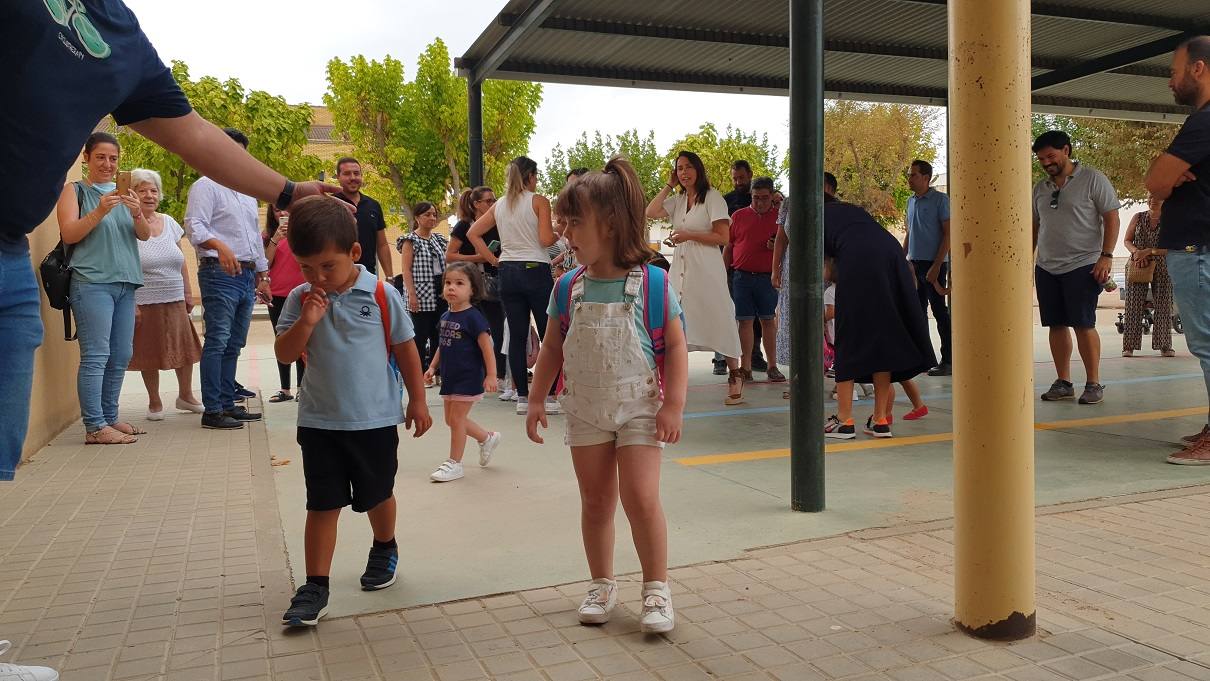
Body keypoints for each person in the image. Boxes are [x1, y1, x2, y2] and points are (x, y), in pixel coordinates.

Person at [526, 157, 687, 634]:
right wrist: (537, 399)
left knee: (640, 497)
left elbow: (676, 346)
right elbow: (552, 346)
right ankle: (602, 582)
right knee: (596, 501)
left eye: (576, 222)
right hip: (587, 410)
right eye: (564, 221)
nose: (566, 232)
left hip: (640, 408)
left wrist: (674, 403)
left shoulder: (653, 282)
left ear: (612, 224)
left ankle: (656, 588)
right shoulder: (567, 287)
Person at [274, 196, 431, 627]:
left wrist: (417, 400)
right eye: (307, 268)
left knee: (377, 493)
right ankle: (315, 586)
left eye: (327, 266)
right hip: (319, 420)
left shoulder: (381, 294)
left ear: (354, 254)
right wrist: (305, 321)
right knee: (321, 503)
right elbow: (285, 353)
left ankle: (384, 546)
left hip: (374, 420)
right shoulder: (301, 299)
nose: (317, 277)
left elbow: (405, 348)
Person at [55, 132, 151, 444]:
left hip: (126, 283)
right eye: (100, 157)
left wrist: (136, 211)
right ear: (87, 158)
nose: (107, 164)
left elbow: (145, 235)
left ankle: (110, 417)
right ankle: (95, 426)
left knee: (122, 353)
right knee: (96, 355)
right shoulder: (75, 191)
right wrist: (99, 211)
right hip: (92, 282)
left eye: (113, 158)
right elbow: (69, 234)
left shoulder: (127, 195)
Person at [1145, 36, 1210, 464]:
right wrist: (1165, 168)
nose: (1170, 81)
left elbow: (1155, 182)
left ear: (1198, 69)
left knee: (1208, 345)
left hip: (1199, 250)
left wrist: (1164, 168)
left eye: (1174, 71)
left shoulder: (1203, 123)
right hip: (1198, 248)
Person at [822, 196, 935, 440]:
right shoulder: (854, 211)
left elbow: (826, 270)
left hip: (857, 257)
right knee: (882, 338)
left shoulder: (816, 218)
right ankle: (881, 420)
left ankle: (844, 420)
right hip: (892, 254)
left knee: (849, 336)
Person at [186, 128, 274, 429]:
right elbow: (194, 225)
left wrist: (263, 274)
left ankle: (226, 403)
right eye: (230, 150)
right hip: (219, 272)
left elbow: (252, 237)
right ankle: (212, 410)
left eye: (241, 152)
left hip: (247, 274)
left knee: (235, 342)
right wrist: (220, 245)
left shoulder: (248, 193)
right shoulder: (205, 186)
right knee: (218, 340)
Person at [1032, 130, 1121, 405]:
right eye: (1041, 159)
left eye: (1051, 156)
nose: (1046, 163)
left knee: (1083, 324)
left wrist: (1106, 256)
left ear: (1066, 151)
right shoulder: (1040, 188)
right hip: (1046, 266)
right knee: (1055, 325)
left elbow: (1112, 218)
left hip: (1083, 264)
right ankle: (1064, 382)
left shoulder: (1093, 179)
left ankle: (1093, 383)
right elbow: (1034, 226)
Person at [647, 151, 743, 405]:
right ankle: (670, 381)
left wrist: (688, 235)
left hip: (707, 267)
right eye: (679, 169)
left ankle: (735, 373)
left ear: (698, 169)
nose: (684, 173)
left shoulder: (713, 198)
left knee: (720, 316)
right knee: (676, 320)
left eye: (688, 167)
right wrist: (668, 184)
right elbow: (650, 211)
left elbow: (723, 237)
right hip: (681, 267)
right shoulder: (678, 200)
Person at [467, 156, 561, 415]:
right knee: (548, 334)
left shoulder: (499, 204)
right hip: (535, 269)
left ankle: (522, 397)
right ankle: (550, 396)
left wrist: (493, 259)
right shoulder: (539, 201)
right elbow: (544, 239)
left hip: (508, 271)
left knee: (517, 337)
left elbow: (472, 233)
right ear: (531, 176)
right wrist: (557, 233)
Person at [126, 168, 204, 420]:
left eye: (153, 190)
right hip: (144, 298)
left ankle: (185, 395)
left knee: (185, 348)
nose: (149, 195)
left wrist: (188, 291)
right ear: (132, 194)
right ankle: (154, 401)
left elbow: (181, 260)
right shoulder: (126, 224)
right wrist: (132, 301)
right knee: (148, 351)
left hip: (175, 297)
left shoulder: (169, 222)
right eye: (142, 190)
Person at [425, 262, 501, 482]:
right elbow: (442, 344)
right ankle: (487, 438)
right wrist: (432, 367)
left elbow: (487, 347)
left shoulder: (474, 317)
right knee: (451, 419)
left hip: (468, 377)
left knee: (457, 419)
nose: (451, 287)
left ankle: (454, 463)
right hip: (450, 376)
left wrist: (491, 374)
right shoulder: (445, 317)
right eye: (448, 282)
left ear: (472, 290)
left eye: (459, 283)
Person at [447, 186, 508, 398]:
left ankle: (499, 374)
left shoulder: (498, 223)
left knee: (498, 329)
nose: (493, 204)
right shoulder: (464, 226)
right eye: (488, 201)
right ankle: (480, 372)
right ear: (476, 204)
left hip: (493, 282)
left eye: (494, 200)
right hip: (472, 284)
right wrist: (479, 258)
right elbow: (450, 255)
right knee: (474, 329)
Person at [723, 176, 784, 382]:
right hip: (741, 277)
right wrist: (723, 275)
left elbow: (788, 249)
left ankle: (772, 366)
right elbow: (729, 247)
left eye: (764, 198)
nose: (759, 202)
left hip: (768, 278)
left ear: (772, 196)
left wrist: (775, 248)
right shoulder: (738, 216)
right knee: (744, 322)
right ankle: (746, 368)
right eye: (756, 197)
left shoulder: (780, 219)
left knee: (768, 321)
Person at [904, 160, 953, 376]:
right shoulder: (910, 201)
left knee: (939, 311)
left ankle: (949, 359)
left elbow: (948, 234)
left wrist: (936, 265)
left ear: (926, 178)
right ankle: (924, 357)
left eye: (913, 175)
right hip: (914, 263)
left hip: (935, 264)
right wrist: (902, 257)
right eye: (909, 174)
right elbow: (910, 232)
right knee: (917, 311)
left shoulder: (940, 200)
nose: (910, 178)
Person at [717, 159, 766, 374]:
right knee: (725, 312)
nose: (738, 182)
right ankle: (720, 358)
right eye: (734, 178)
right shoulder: (725, 202)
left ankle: (754, 355)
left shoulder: (765, 200)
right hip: (730, 267)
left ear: (750, 175)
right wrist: (721, 267)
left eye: (742, 178)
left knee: (754, 316)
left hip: (758, 270)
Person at [398, 202, 449, 383]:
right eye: (427, 214)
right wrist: (411, 294)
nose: (432, 218)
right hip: (420, 291)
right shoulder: (410, 240)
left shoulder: (439, 239)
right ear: (417, 217)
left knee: (440, 332)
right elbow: (406, 269)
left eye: (434, 214)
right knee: (420, 334)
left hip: (440, 288)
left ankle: (437, 372)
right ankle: (420, 374)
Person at [1121, 196, 1174, 358]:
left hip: (1163, 265)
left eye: (1157, 196)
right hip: (1138, 264)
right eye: (1150, 195)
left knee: (1164, 305)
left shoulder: (1170, 219)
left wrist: (1149, 251)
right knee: (1133, 304)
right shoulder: (1138, 217)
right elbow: (1127, 240)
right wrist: (1137, 252)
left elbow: (1172, 247)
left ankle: (1164, 345)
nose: (1153, 199)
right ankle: (1129, 346)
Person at [264, 207, 307, 402]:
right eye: (276, 209)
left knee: (302, 340)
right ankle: (285, 388)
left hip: (301, 292)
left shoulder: (303, 231)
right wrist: (275, 239)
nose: (281, 213)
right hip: (278, 294)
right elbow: (264, 264)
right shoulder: (267, 235)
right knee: (281, 338)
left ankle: (302, 387)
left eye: (285, 209)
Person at [332, 157, 394, 279]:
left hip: (368, 276)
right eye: (347, 174)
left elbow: (382, 245)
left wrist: (390, 277)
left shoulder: (373, 205)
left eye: (356, 173)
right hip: (336, 277)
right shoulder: (330, 204)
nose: (353, 178)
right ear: (338, 177)